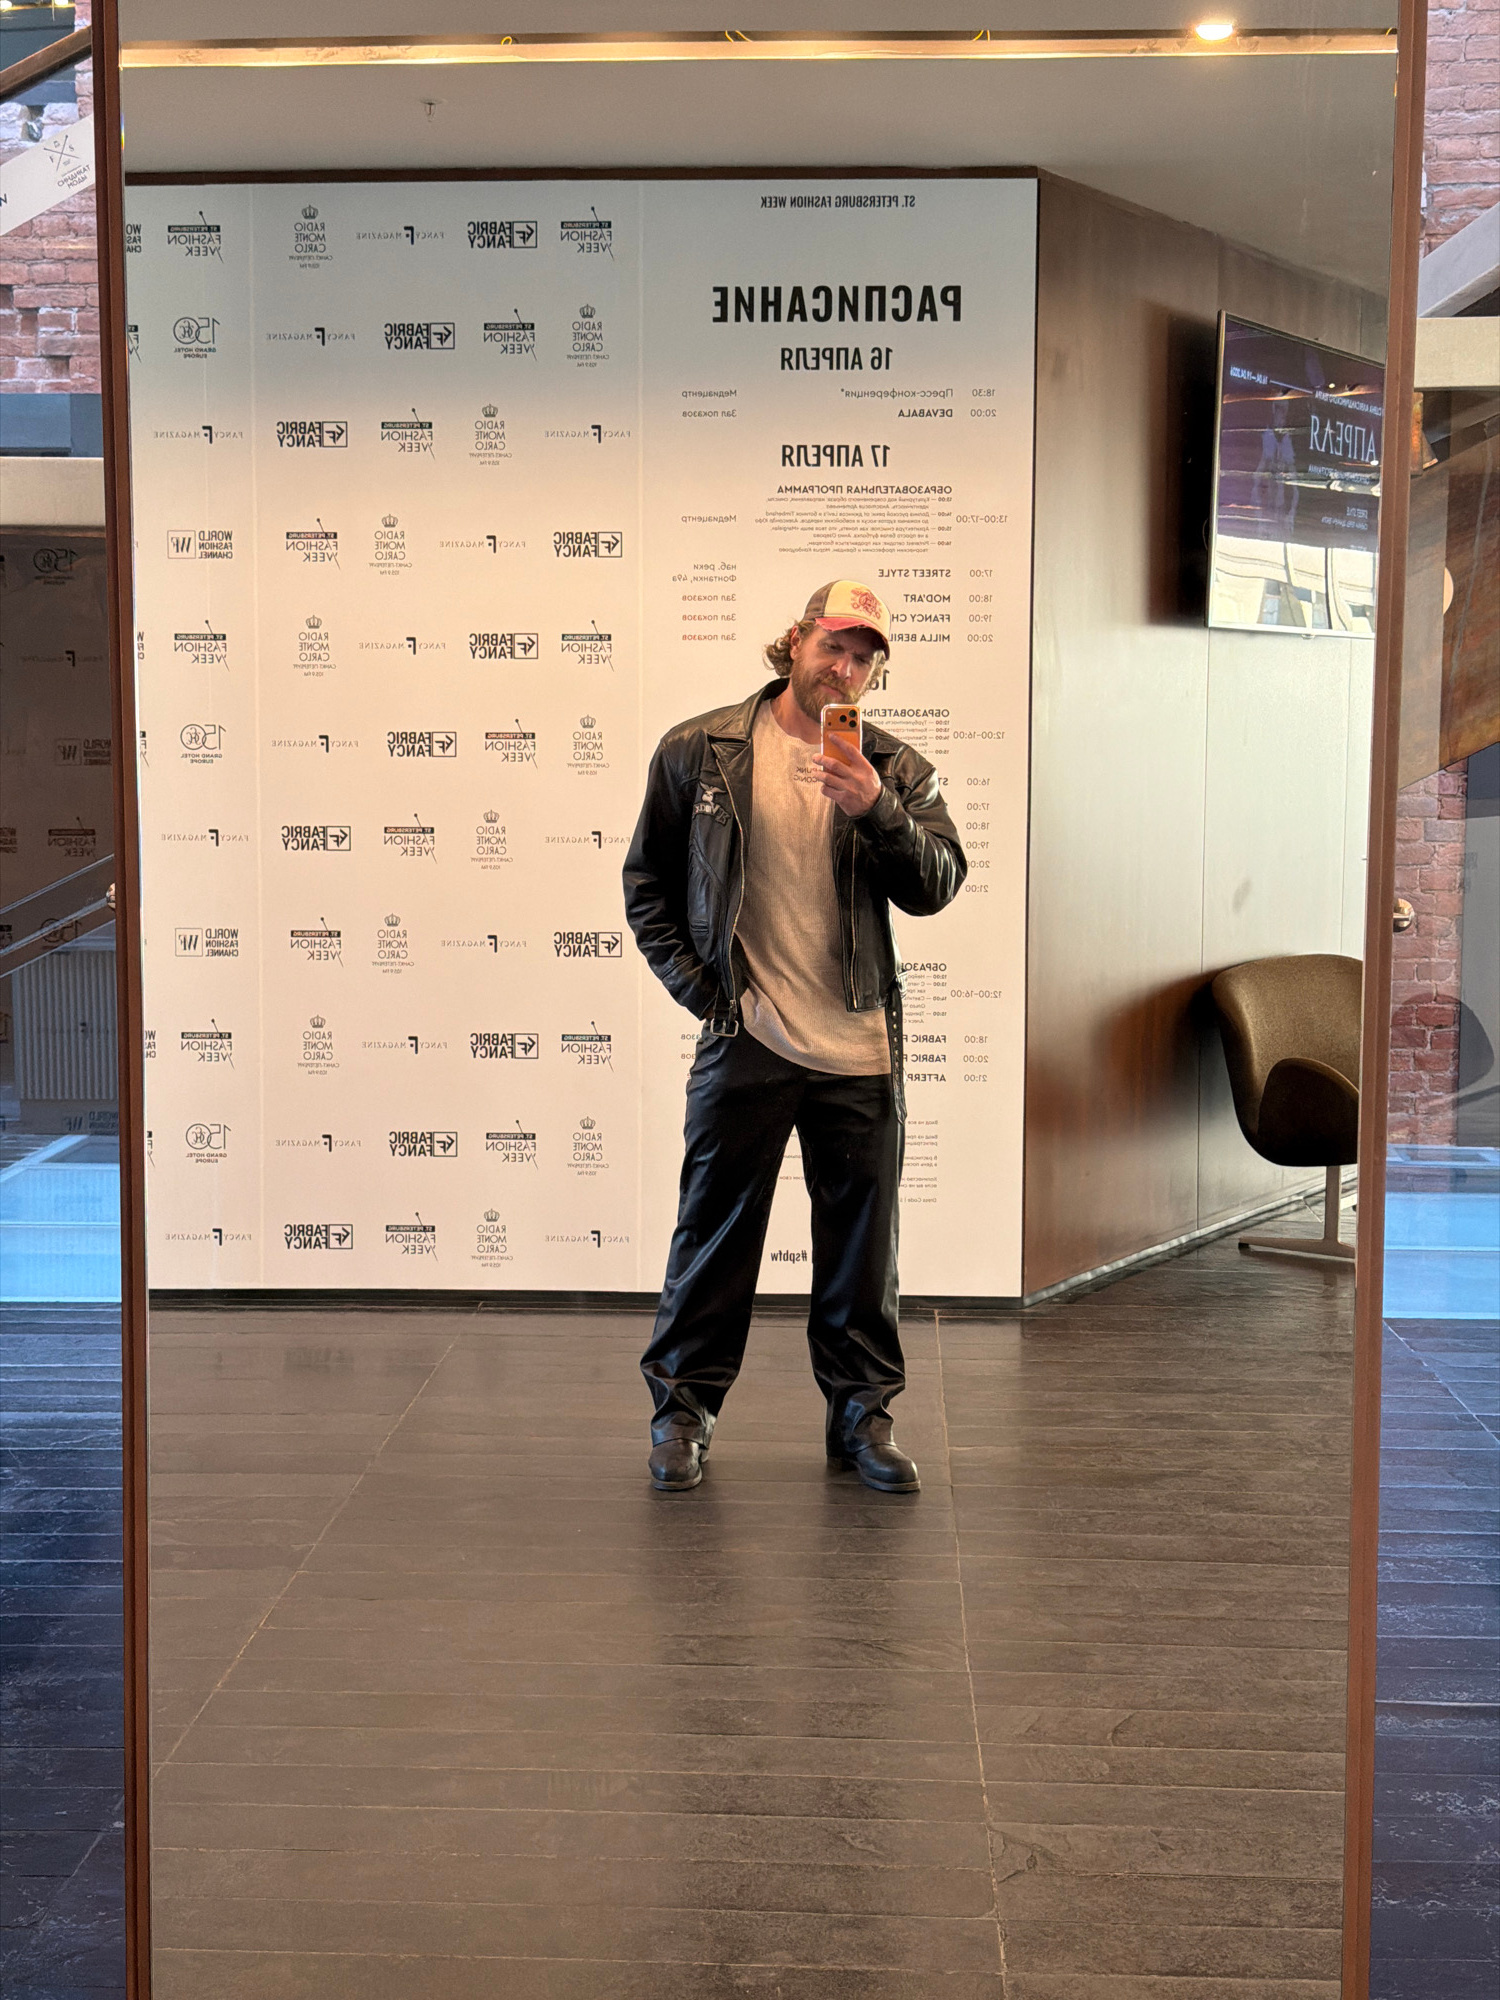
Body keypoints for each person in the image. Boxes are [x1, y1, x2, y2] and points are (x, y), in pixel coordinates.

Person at [623, 579, 966, 1495]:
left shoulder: (894, 768)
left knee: (862, 1250)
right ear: (796, 641)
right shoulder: (701, 750)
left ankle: (862, 1417)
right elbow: (647, 885)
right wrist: (707, 995)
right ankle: (682, 1413)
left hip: (860, 1045)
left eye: (863, 658)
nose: (844, 668)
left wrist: (877, 809)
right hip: (749, 1034)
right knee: (714, 1234)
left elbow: (936, 884)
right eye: (833, 647)